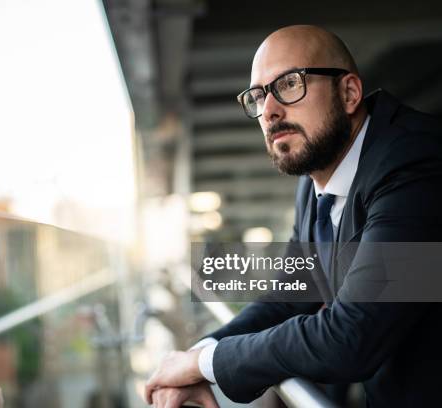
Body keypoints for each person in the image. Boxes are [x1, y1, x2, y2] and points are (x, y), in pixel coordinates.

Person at [144, 25, 442, 407]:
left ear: (349, 92)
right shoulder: (316, 178)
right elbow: (292, 295)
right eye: (257, 96)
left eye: (289, 84)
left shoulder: (416, 164)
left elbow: (353, 338)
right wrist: (200, 354)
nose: (268, 111)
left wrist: (206, 364)